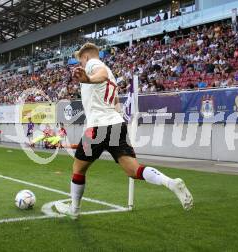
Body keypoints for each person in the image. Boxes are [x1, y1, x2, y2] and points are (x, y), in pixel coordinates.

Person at [55, 43, 193, 219]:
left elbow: (101, 74)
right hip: (116, 124)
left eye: (80, 59)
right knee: (133, 170)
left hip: (97, 126)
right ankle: (170, 182)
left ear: (86, 57)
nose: (80, 64)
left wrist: (88, 79)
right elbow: (115, 104)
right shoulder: (111, 76)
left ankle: (74, 210)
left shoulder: (93, 65)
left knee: (78, 168)